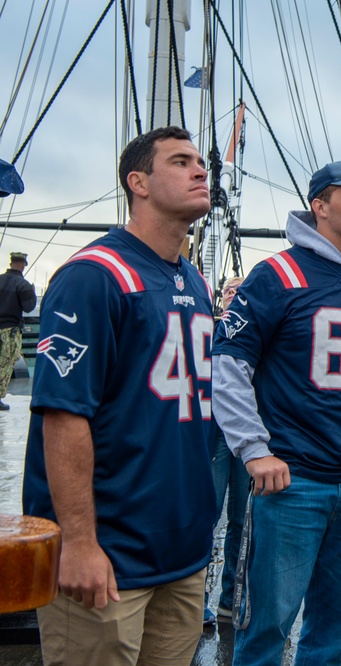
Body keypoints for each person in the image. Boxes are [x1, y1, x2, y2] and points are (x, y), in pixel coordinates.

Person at [22, 126, 216, 665]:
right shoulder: (94, 277)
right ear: (140, 183)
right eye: (181, 162)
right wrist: (79, 543)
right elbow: (63, 417)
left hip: (181, 552)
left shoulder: (193, 282)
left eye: (200, 161)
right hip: (109, 557)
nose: (201, 170)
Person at [212, 159, 341, 666]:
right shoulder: (277, 274)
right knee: (264, 632)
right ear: (319, 206)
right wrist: (253, 449)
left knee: (333, 638)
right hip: (293, 485)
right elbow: (229, 362)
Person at [203, 275, 251, 624]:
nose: (232, 294)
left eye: (239, 290)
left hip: (246, 436)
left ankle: (230, 596)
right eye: (228, 290)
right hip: (215, 432)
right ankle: (196, 598)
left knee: (240, 518)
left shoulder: (254, 330)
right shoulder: (207, 329)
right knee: (208, 512)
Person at [0, 251, 36, 409]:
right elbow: (29, 307)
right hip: (10, 330)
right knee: (6, 362)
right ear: (22, 265)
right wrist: (32, 293)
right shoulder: (23, 285)